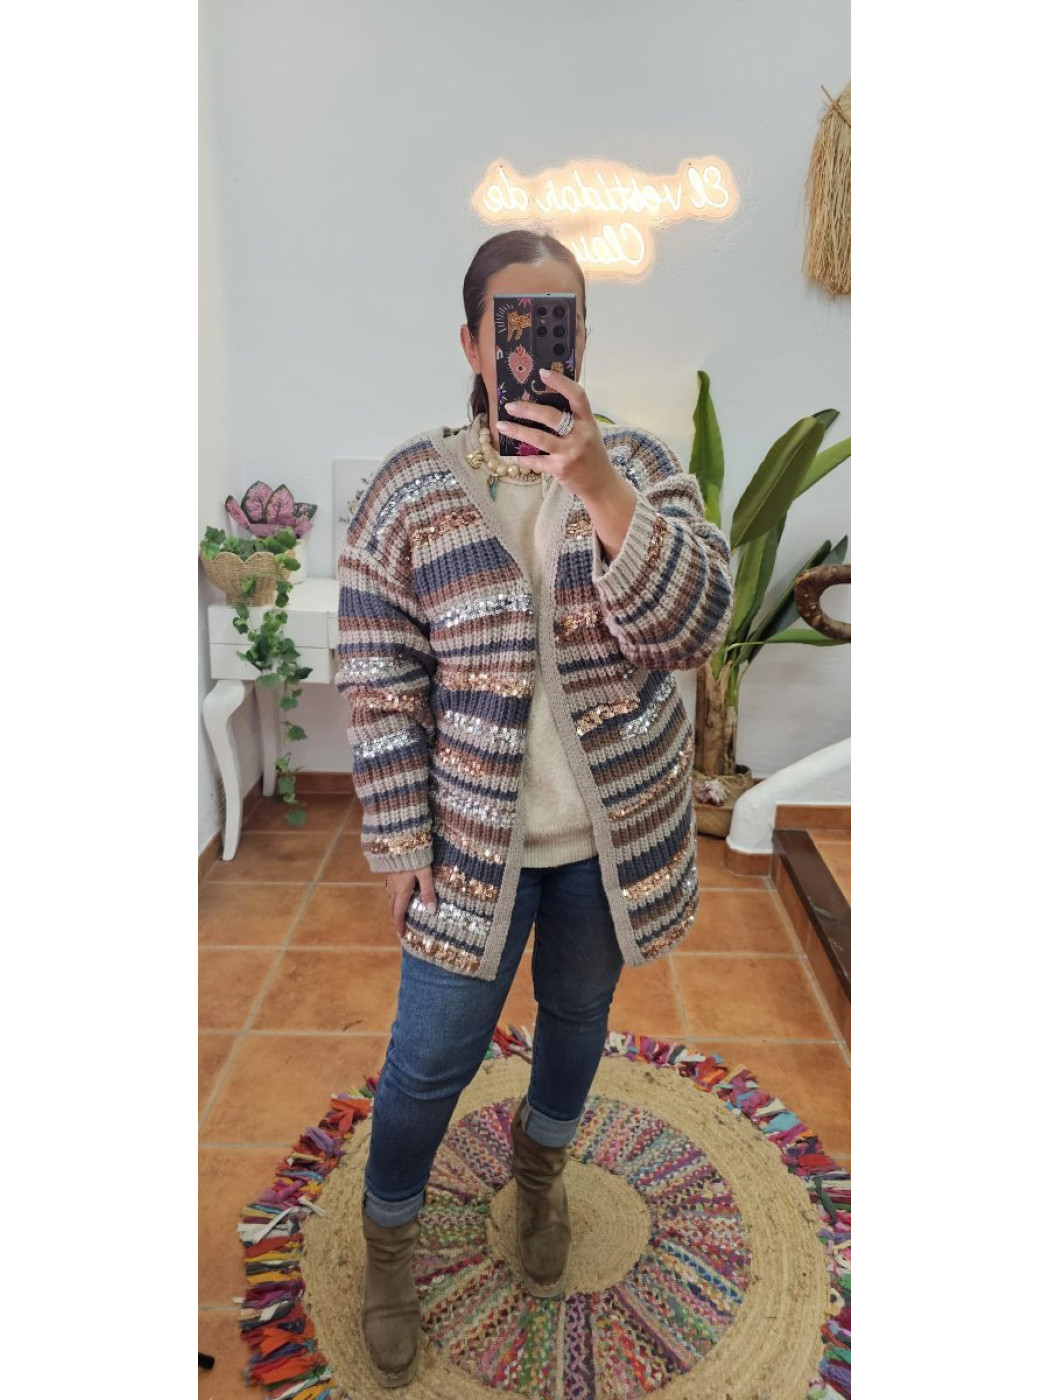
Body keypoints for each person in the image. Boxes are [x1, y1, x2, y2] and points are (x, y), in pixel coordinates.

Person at [336, 228, 733, 1387]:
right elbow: (379, 676)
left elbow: (693, 625)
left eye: (557, 321)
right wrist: (398, 836)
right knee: (428, 1056)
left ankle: (542, 1170)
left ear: (580, 338)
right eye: (511, 323)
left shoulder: (642, 464)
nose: (532, 345)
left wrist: (599, 486)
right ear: (474, 343)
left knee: (575, 1019)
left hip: (608, 845)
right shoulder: (411, 489)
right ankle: (390, 1240)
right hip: (470, 845)